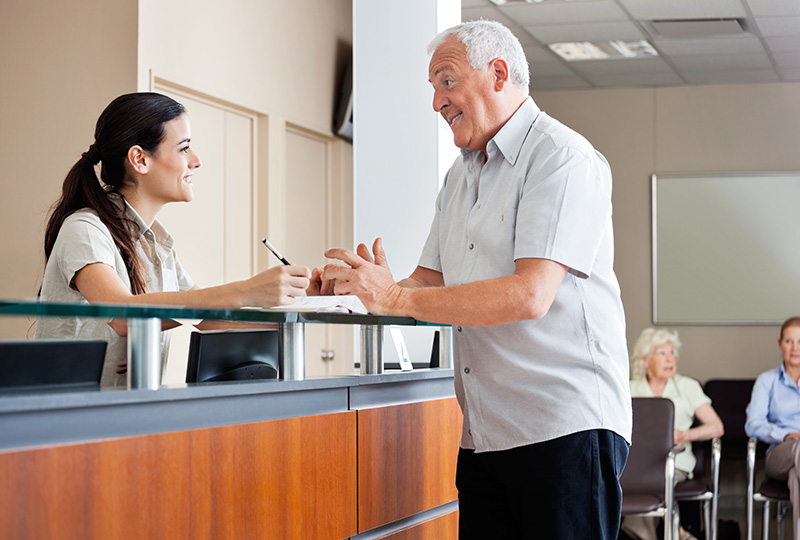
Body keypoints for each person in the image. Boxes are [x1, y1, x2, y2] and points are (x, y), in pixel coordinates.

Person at [322, 20, 632, 539]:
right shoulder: (461, 174)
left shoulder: (561, 157)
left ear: (499, 73)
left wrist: (394, 298)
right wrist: (363, 289)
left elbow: (531, 294)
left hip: (563, 428)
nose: (436, 102)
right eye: (433, 88)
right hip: (486, 436)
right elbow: (426, 283)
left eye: (446, 81)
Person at [36, 92, 317, 387]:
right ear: (140, 159)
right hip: (67, 419)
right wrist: (246, 290)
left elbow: (208, 318)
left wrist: (307, 303)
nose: (196, 161)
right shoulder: (84, 228)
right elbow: (123, 317)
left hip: (125, 413)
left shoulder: (159, 245)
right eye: (184, 149)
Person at [623, 328, 724, 540]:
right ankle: (679, 534)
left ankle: (646, 534)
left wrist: (683, 435)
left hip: (674, 463)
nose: (670, 359)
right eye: (661, 353)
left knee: (654, 480)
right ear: (644, 360)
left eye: (672, 353)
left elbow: (716, 427)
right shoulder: (629, 389)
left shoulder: (687, 387)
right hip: (635, 465)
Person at [745, 316, 800, 540]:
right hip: (780, 453)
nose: (795, 348)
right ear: (780, 344)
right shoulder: (766, 381)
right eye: (789, 341)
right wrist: (785, 435)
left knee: (797, 479)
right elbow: (753, 424)